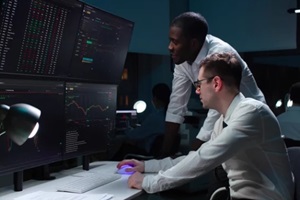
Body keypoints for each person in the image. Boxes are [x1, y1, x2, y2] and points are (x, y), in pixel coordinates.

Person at [117, 52, 294, 200]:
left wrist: (148, 183)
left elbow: (204, 158)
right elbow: (195, 157)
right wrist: (146, 167)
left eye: (199, 84)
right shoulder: (223, 121)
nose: (197, 90)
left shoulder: (252, 112)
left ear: (216, 83)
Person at [161, 11, 265, 157]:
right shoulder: (183, 58)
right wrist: (164, 153)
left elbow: (216, 109)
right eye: (170, 41)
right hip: (224, 118)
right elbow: (176, 106)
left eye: (175, 42)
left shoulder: (220, 56)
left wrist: (191, 155)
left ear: (193, 44)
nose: (170, 47)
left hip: (251, 118)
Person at [113, 83, 171, 160]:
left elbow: (133, 135)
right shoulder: (170, 117)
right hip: (161, 155)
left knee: (125, 145)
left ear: (155, 98)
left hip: (149, 155)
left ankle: (109, 165)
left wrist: (126, 127)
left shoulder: (155, 117)